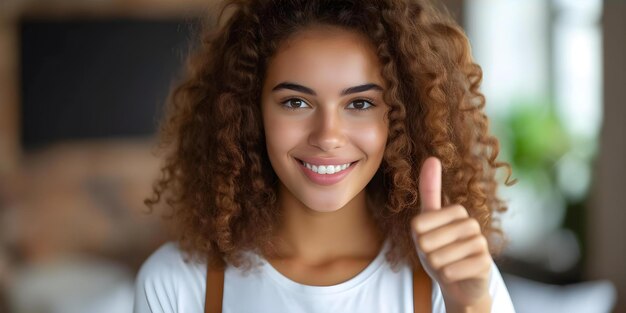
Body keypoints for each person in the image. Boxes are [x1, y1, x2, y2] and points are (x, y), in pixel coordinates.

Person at [133, 0, 517, 312]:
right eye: (296, 102)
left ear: (401, 119)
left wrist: (469, 307)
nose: (328, 136)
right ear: (250, 114)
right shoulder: (179, 284)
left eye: (361, 103)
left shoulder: (453, 284)